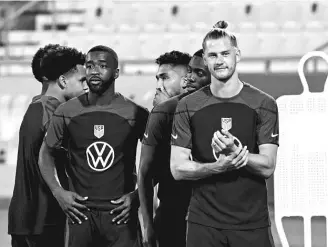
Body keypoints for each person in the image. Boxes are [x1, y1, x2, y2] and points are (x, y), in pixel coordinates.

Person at [170, 20, 279, 247]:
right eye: (212, 55)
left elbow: (268, 165)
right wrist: (217, 166)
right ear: (205, 59)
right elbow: (177, 169)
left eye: (225, 53)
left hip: (252, 224)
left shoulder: (264, 103)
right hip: (203, 224)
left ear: (237, 55)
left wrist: (238, 154)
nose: (219, 61)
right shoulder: (188, 105)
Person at [38, 45, 149, 247]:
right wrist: (58, 191)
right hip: (80, 216)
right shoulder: (66, 111)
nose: (94, 71)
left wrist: (137, 196)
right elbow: (46, 153)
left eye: (102, 65)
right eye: (89, 66)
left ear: (116, 72)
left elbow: (157, 159)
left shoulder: (136, 114)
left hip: (120, 217)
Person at [8, 45, 88, 247]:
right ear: (62, 80)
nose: (86, 86)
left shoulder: (38, 105)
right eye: (82, 80)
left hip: (29, 219)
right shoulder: (51, 112)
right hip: (43, 219)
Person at [138, 49, 210, 247]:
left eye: (165, 78)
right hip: (172, 215)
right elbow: (148, 172)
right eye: (157, 79)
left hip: (210, 217)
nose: (159, 86)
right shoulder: (162, 114)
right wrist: (147, 225)